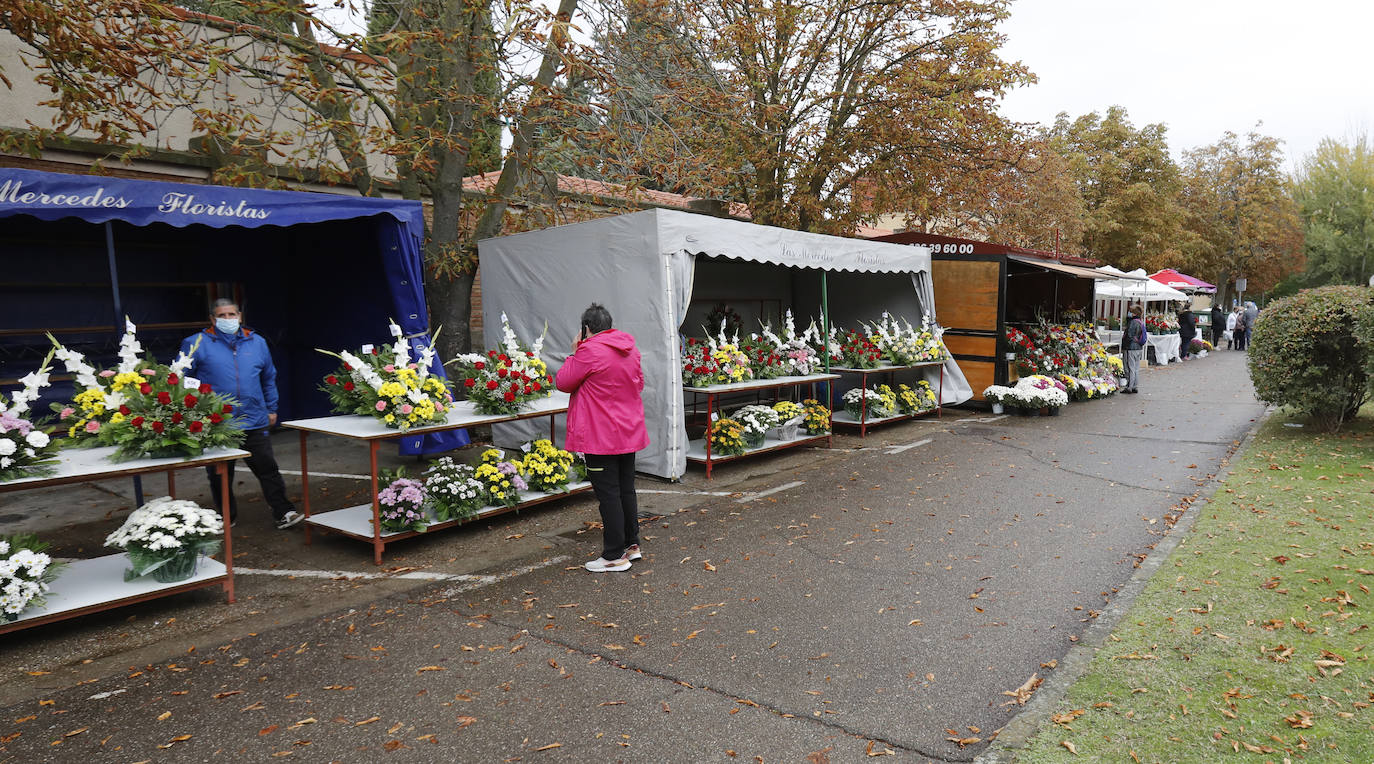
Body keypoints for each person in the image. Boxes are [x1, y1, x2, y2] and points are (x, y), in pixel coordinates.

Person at [181, 299, 303, 529]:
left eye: (231, 314)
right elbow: (181, 379)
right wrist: (196, 412)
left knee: (268, 469)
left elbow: (268, 377)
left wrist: (271, 407)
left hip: (254, 418)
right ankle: (226, 517)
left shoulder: (256, 342)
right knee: (220, 475)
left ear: (240, 315)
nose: (227, 319)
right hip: (218, 423)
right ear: (212, 319)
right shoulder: (195, 343)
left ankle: (283, 512)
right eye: (221, 315)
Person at [555, 303, 649, 573]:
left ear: (586, 329)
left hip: (600, 435)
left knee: (608, 494)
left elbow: (563, 382)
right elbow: (638, 384)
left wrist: (574, 353)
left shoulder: (588, 351)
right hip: (628, 430)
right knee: (625, 490)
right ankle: (631, 545)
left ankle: (612, 555)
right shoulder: (630, 349)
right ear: (610, 324)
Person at [1121, 304, 1145, 394]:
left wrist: (1125, 346)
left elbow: (1129, 335)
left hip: (1131, 348)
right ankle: (1135, 386)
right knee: (1136, 368)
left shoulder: (1133, 322)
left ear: (1134, 313)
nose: (1129, 313)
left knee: (1129, 367)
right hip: (1138, 347)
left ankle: (1129, 387)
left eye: (1130, 312)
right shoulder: (1140, 321)